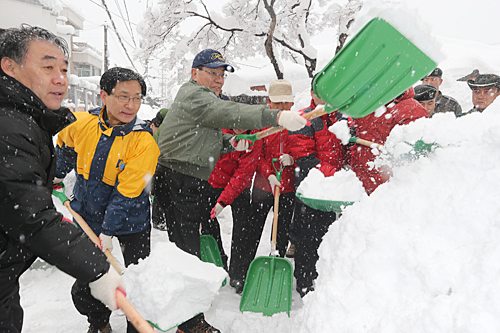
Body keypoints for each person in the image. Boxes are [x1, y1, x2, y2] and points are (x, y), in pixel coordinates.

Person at [152, 49, 307, 333]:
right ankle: (188, 322)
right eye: (212, 73)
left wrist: (229, 144)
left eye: (222, 75)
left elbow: (205, 134)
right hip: (179, 179)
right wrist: (275, 117)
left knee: (185, 248)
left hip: (182, 177)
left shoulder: (200, 99)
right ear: (194, 72)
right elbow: (227, 111)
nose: (218, 80)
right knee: (186, 251)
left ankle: (176, 310)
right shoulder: (196, 95)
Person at [0, 25, 124, 333]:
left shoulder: (24, 119)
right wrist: (97, 270)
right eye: (48, 67)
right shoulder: (9, 126)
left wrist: (41, 182)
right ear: (10, 67)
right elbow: (31, 218)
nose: (61, 78)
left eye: (64, 69)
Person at [55, 67, 159, 333]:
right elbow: (65, 150)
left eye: (137, 98)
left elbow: (127, 194)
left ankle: (135, 327)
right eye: (123, 96)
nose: (130, 105)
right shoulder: (81, 124)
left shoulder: (144, 143)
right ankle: (99, 322)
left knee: (135, 280)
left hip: (130, 222)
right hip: (87, 217)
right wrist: (53, 175)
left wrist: (109, 231)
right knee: (89, 280)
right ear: (103, 95)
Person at [288, 77, 347, 297]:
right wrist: (336, 176)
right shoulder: (303, 119)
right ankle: (304, 281)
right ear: (312, 94)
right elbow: (305, 158)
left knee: (328, 235)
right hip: (311, 189)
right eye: (319, 94)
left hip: (332, 190)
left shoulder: (339, 118)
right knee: (307, 238)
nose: (323, 98)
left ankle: (321, 278)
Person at [205, 128, 263, 293]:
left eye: (244, 124)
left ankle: (239, 272)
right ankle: (218, 261)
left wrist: (224, 201)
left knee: (243, 227)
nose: (239, 127)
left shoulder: (254, 138)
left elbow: (242, 174)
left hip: (239, 186)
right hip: (213, 181)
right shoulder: (218, 129)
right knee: (207, 220)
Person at [249, 79, 296, 264]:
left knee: (281, 229)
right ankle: (246, 266)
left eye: (285, 103)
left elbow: (304, 149)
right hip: (263, 186)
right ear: (269, 102)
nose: (282, 107)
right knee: (253, 228)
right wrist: (268, 173)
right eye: (277, 103)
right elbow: (256, 154)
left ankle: (276, 262)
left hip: (287, 186)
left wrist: (292, 159)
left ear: (292, 103)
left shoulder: (298, 123)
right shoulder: (262, 123)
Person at [351, 87, 428, 195]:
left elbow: (414, 153)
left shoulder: (410, 108)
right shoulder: (369, 103)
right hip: (362, 179)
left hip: (388, 186)